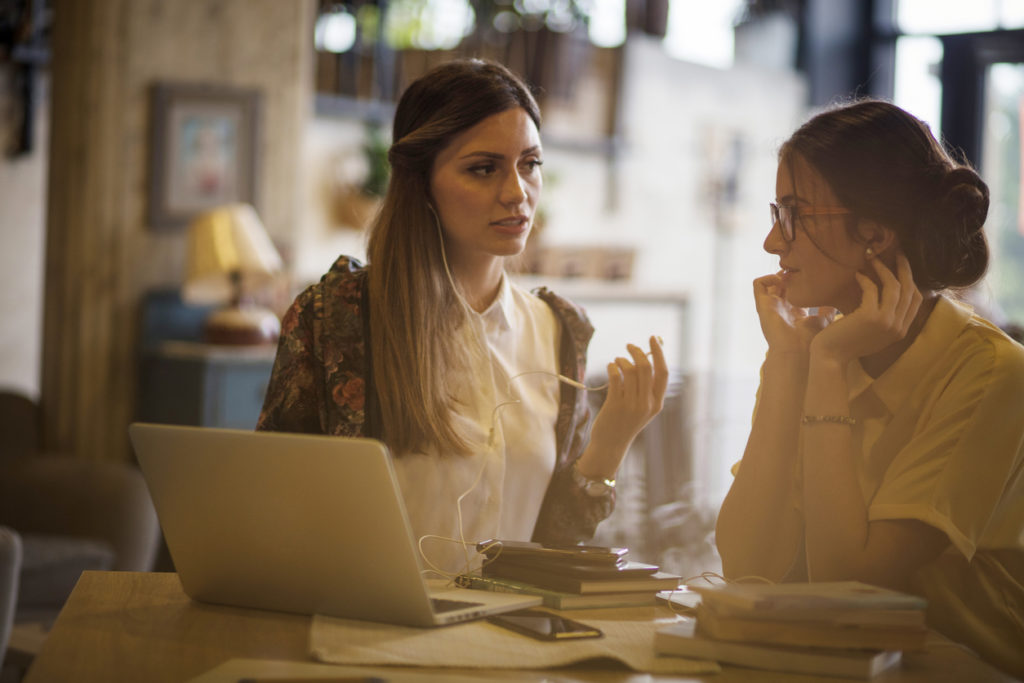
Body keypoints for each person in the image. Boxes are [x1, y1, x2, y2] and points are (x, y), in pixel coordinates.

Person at [257, 59, 668, 575]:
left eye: (530, 163)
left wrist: (612, 440)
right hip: (366, 620)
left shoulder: (559, 331)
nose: (517, 192)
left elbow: (552, 546)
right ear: (421, 181)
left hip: (514, 624)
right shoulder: (335, 320)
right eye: (484, 168)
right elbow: (275, 511)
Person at [715, 99, 1024, 677]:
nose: (772, 242)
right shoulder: (811, 346)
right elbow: (746, 562)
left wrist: (829, 366)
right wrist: (788, 362)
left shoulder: (992, 373)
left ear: (874, 235)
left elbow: (845, 589)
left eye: (793, 214)